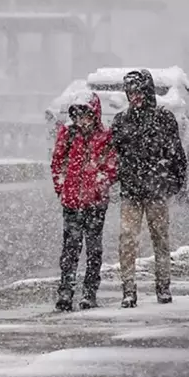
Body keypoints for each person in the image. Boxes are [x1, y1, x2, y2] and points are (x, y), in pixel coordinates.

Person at [111, 69, 187, 308]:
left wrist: (172, 184)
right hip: (132, 191)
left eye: (138, 91)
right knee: (127, 240)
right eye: (130, 92)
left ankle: (163, 287)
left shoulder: (163, 119)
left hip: (155, 191)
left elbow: (176, 155)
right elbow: (114, 155)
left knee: (160, 239)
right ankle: (129, 290)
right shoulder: (121, 121)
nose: (134, 97)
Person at [50, 90, 117, 311]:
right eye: (78, 115)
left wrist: (98, 186)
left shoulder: (105, 137)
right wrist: (62, 187)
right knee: (70, 249)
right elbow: (57, 163)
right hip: (71, 202)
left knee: (93, 248)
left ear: (94, 114)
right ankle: (66, 291)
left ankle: (89, 292)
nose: (82, 120)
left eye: (86, 114)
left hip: (95, 204)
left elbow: (111, 167)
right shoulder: (68, 135)